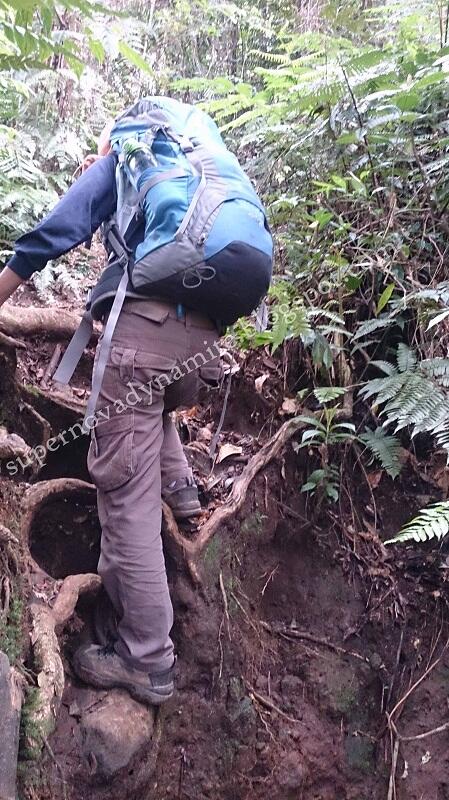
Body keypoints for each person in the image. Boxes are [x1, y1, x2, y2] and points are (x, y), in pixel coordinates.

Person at [0, 98, 272, 706]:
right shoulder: (201, 172)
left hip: (146, 342)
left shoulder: (124, 159)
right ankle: (184, 495)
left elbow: (55, 232)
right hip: (202, 343)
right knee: (152, 407)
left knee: (123, 498)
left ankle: (145, 658)